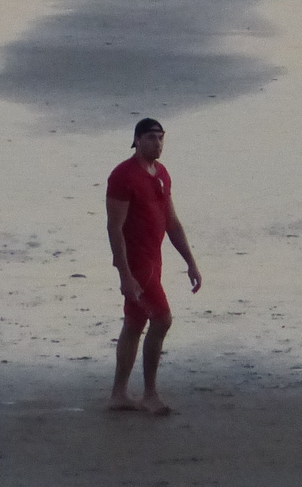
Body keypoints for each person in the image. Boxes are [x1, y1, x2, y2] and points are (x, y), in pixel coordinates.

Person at [105, 117, 201, 415]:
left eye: (160, 138)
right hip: (137, 265)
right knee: (162, 320)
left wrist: (190, 262)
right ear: (136, 140)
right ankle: (149, 393)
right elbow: (114, 229)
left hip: (154, 260)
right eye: (150, 137)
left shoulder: (161, 174)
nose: (157, 143)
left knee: (134, 325)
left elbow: (170, 222)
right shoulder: (123, 176)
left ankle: (119, 394)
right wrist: (125, 275)